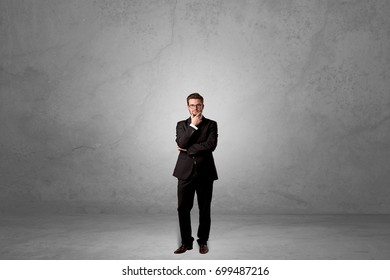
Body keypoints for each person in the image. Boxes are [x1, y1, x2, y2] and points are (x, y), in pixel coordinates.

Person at [172, 93, 218, 254]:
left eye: (198, 105)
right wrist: (193, 126)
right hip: (185, 172)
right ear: (188, 107)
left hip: (205, 172)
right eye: (192, 105)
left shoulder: (212, 124)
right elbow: (181, 142)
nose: (195, 108)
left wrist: (188, 149)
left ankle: (203, 241)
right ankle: (186, 242)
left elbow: (211, 145)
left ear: (203, 106)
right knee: (183, 208)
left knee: (204, 208)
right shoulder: (181, 125)